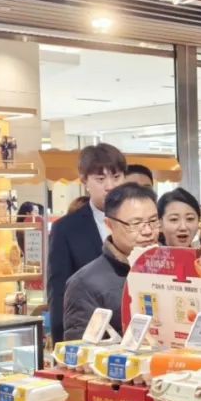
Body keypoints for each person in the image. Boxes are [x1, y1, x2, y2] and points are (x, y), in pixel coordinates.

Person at [47, 143, 126, 342]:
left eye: (116, 177)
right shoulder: (66, 229)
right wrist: (62, 347)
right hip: (90, 335)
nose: (110, 186)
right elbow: (58, 293)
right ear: (84, 180)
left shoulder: (141, 223)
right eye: (100, 179)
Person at [62, 183, 160, 340]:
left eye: (153, 221)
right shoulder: (84, 284)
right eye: (136, 224)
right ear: (109, 224)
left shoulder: (170, 270)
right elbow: (81, 348)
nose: (148, 231)